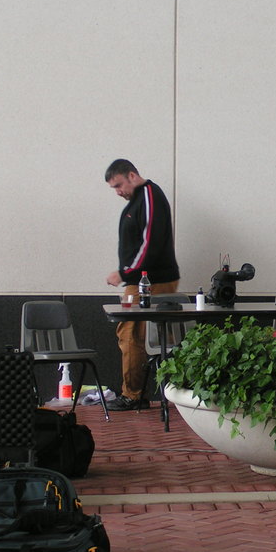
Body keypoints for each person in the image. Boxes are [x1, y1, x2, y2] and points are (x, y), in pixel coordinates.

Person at [105, 159, 180, 411]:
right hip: (141, 280)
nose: (118, 192)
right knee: (140, 334)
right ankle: (144, 392)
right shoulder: (139, 200)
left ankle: (133, 395)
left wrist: (124, 272)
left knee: (131, 333)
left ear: (132, 176)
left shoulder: (149, 196)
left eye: (118, 185)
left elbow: (150, 242)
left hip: (148, 281)